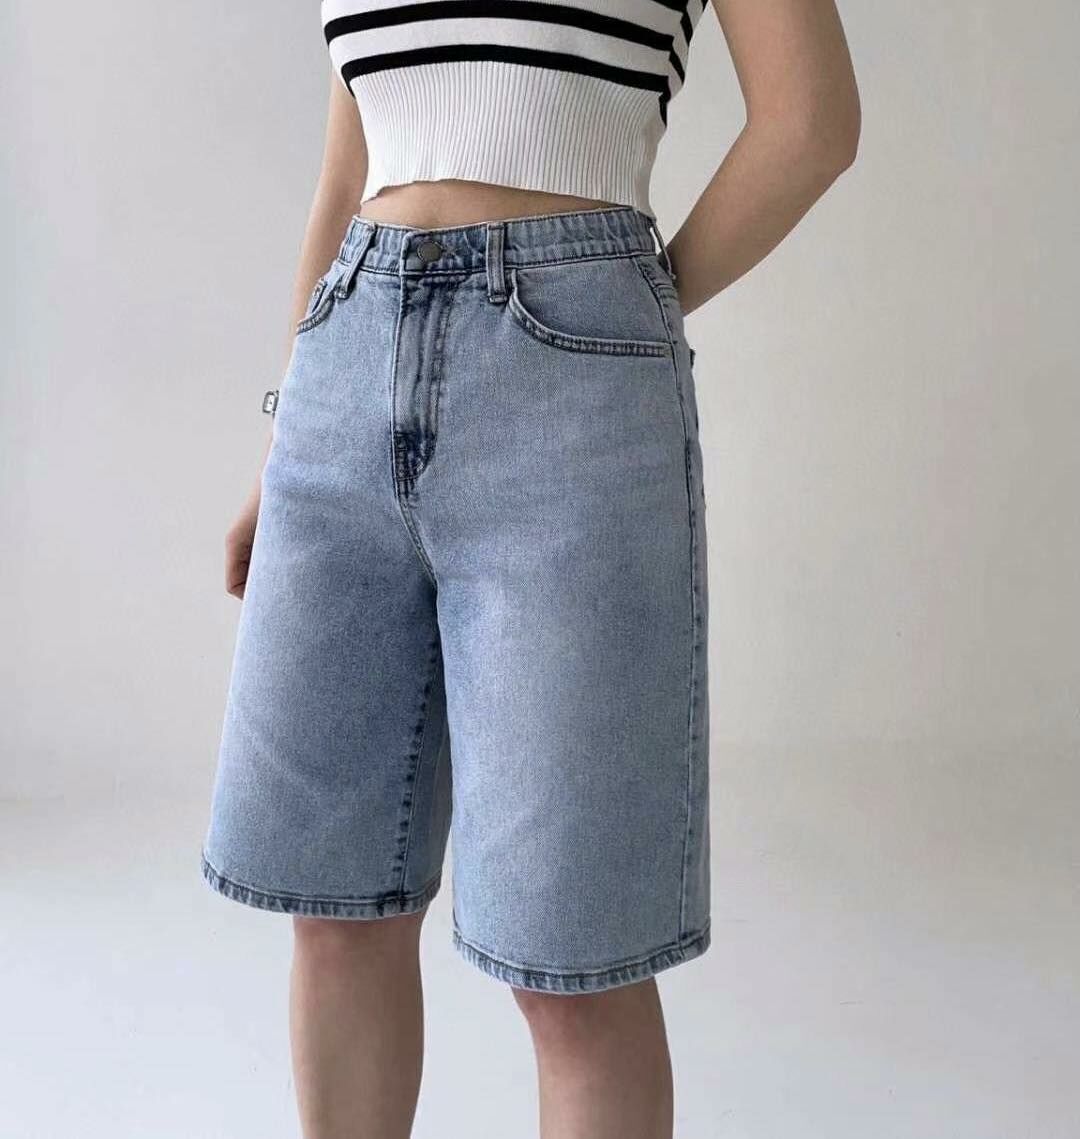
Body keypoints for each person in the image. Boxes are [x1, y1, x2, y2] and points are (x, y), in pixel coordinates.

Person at [201, 0, 860, 1135]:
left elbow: (813, 121)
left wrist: (628, 303)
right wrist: (284, 435)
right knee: (336, 905)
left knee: (575, 966)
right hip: (340, 386)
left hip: (572, 385)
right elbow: (350, 168)